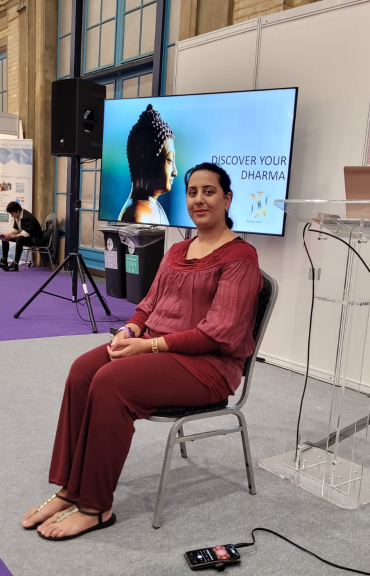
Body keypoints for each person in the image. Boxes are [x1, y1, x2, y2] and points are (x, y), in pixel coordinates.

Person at [22, 162, 262, 541]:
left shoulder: (241, 258)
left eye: (209, 191)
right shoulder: (178, 250)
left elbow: (218, 334)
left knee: (111, 383)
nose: (199, 199)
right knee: (83, 369)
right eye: (193, 192)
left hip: (208, 367)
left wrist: (148, 344)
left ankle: (96, 506)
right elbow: (150, 303)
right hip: (156, 349)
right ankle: (70, 487)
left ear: (227, 198)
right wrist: (131, 328)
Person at [118, 104, 177, 225]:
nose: (175, 172)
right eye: (169, 161)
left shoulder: (154, 206)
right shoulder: (137, 214)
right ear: (148, 162)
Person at [0, 201, 43, 271]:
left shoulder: (27, 217)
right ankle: (4, 261)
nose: (11, 215)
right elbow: (15, 229)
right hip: (27, 237)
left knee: (19, 239)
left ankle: (15, 264)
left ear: (18, 211)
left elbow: (27, 233)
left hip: (35, 240)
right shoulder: (17, 216)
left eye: (12, 214)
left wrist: (13, 236)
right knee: (4, 238)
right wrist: (7, 235)